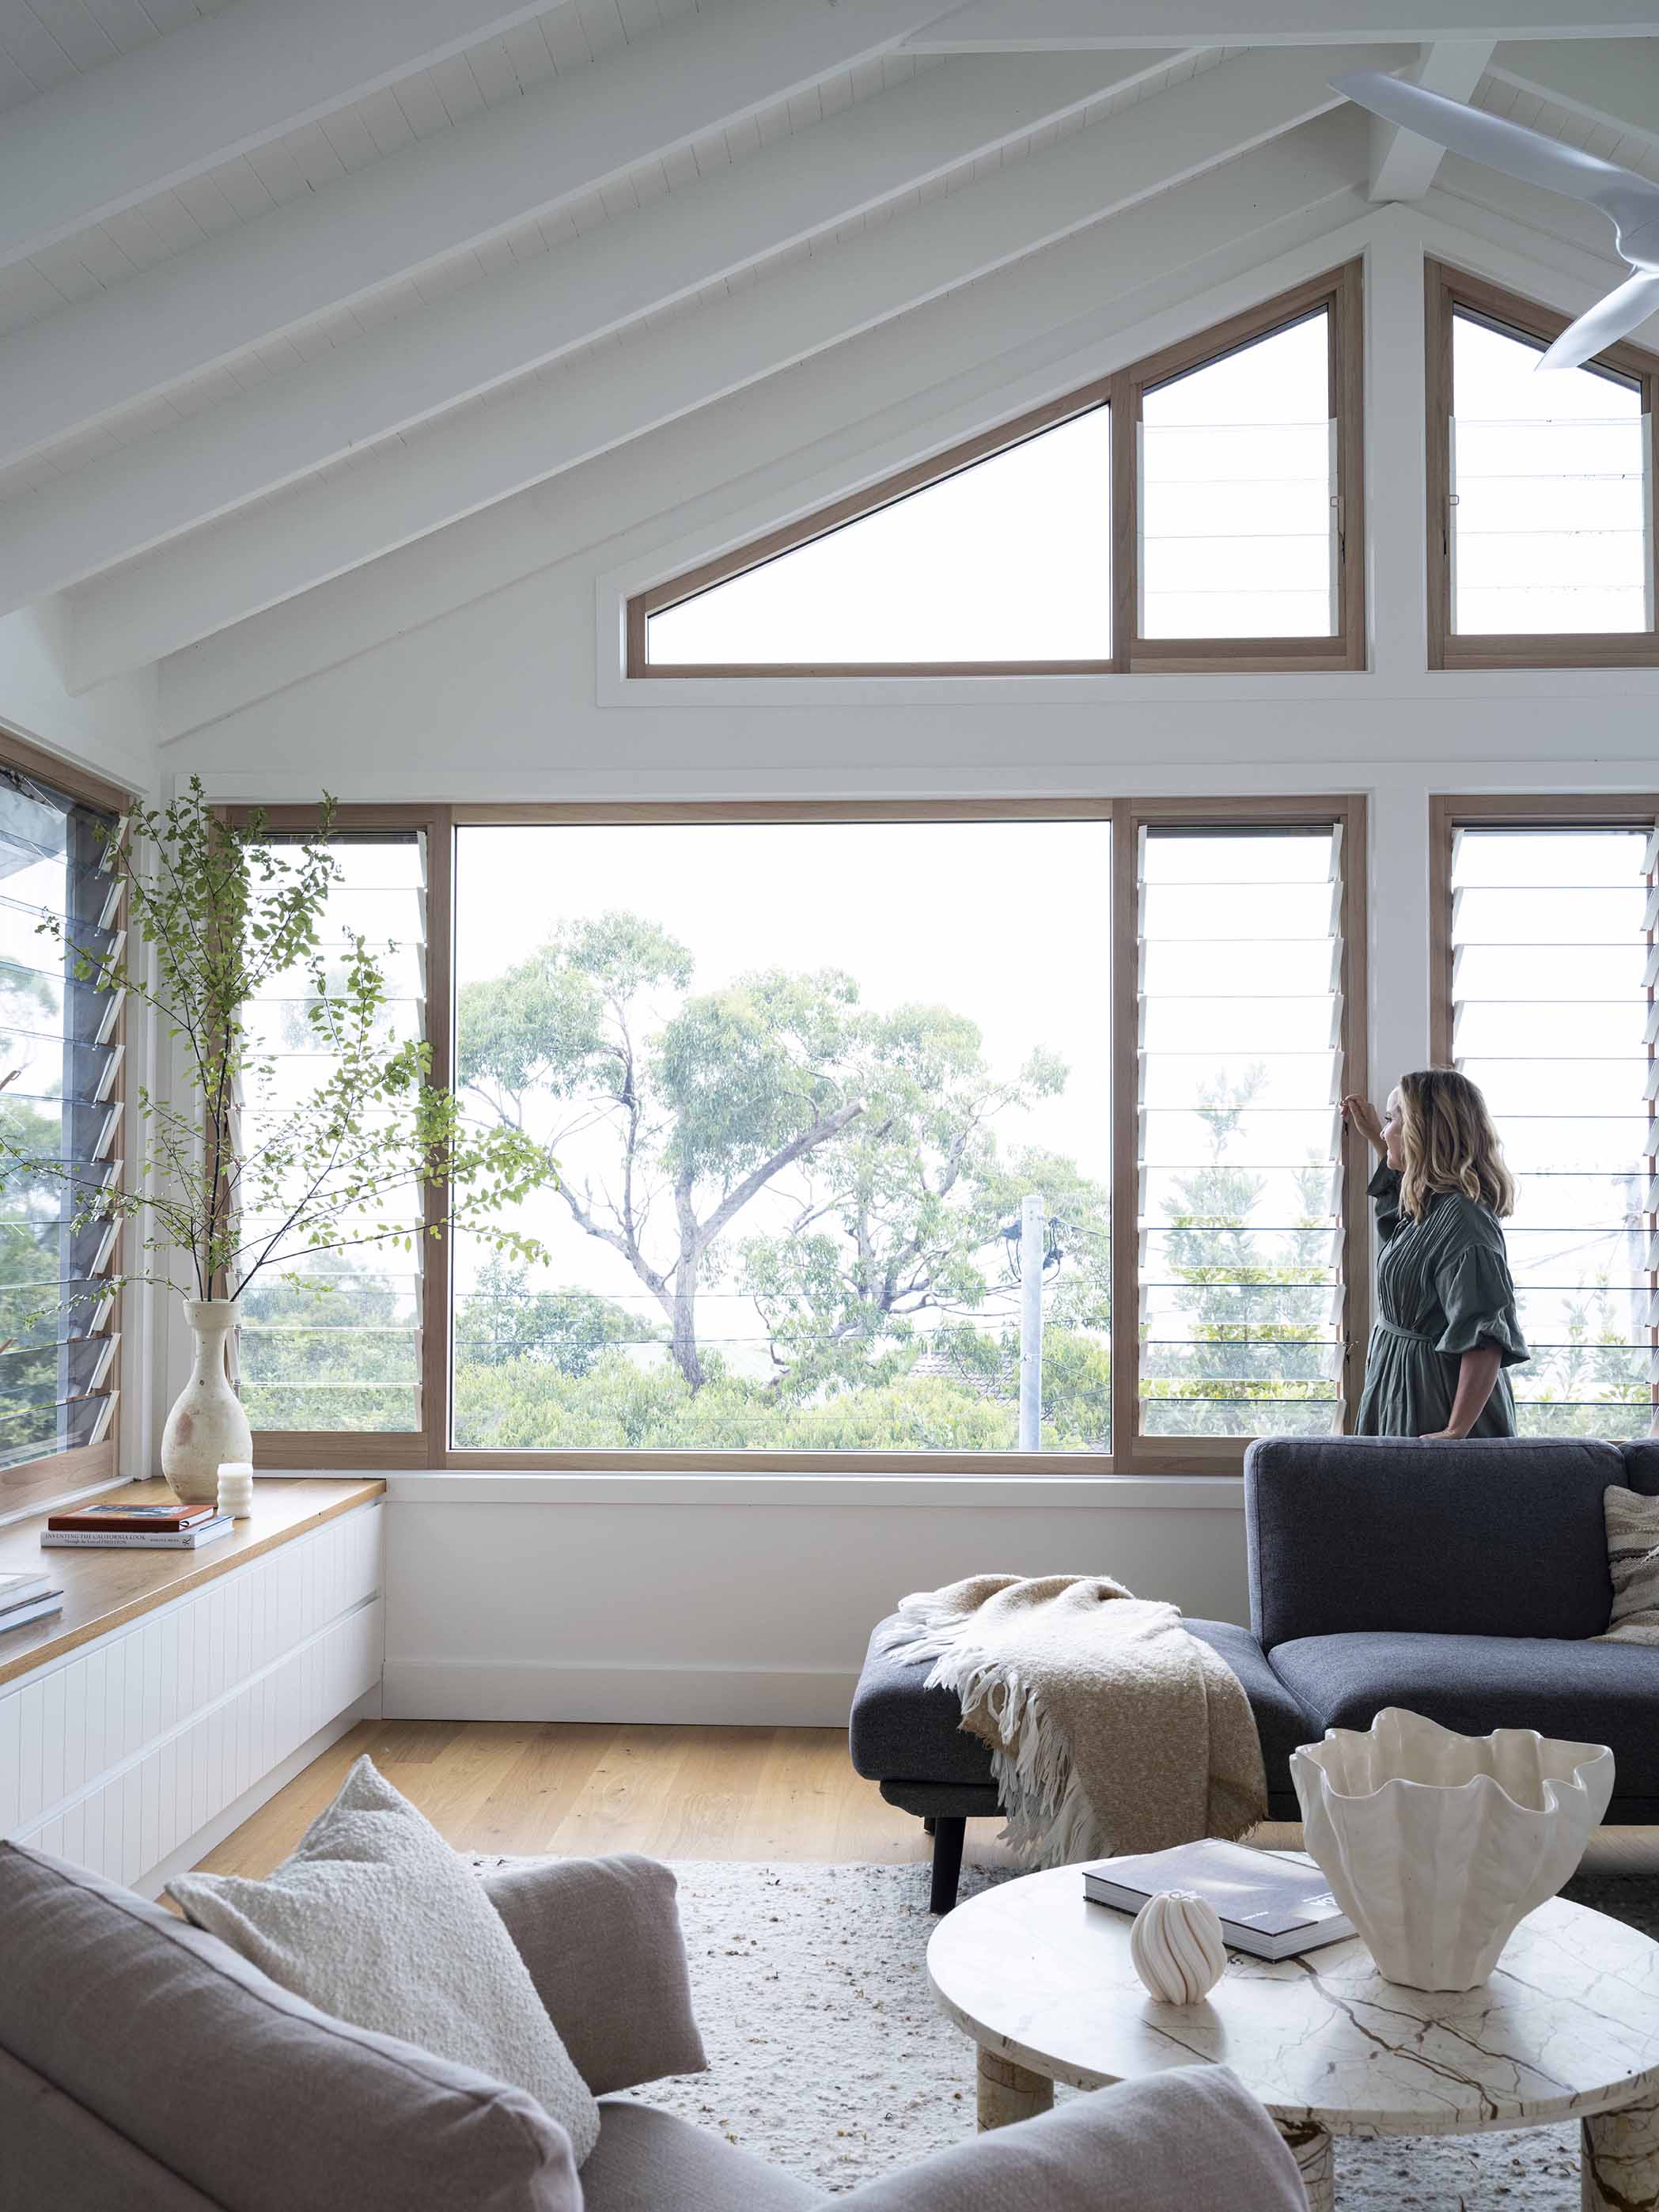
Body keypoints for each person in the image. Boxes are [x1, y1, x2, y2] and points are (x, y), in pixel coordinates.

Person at [1340, 1067, 1528, 1439]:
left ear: (1420, 1132)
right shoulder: (1432, 1205)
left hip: (1434, 1399)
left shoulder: (1465, 1221)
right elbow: (1401, 1224)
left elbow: (1485, 1335)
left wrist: (1455, 1432)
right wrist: (1379, 1143)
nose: (1384, 1130)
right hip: (1403, 1386)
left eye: (1391, 1121)